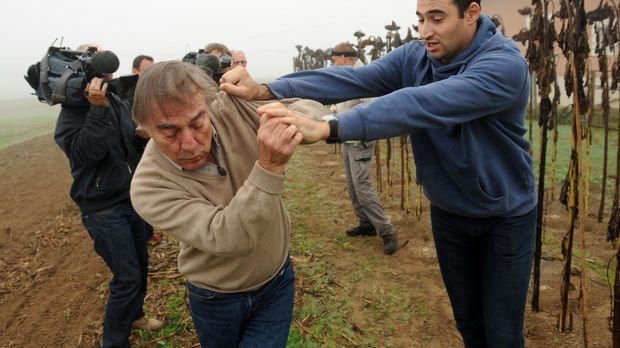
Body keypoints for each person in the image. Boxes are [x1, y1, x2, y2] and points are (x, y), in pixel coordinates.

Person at [220, 1, 537, 347]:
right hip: (449, 211)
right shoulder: (416, 58)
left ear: (472, 13)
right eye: (419, 18)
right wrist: (265, 90)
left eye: (437, 18)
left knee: (504, 334)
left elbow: (424, 103)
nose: (424, 31)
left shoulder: (504, 65)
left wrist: (330, 127)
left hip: (505, 217)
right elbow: (351, 78)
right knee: (469, 323)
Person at [129, 61, 329, 347]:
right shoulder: (149, 186)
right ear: (144, 129)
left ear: (208, 107)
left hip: (277, 282)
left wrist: (294, 120)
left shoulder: (229, 109)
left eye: (198, 122)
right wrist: (269, 168)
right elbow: (229, 236)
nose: (189, 143)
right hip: (216, 299)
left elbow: (308, 107)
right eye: (170, 133)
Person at [54, 44, 162, 348]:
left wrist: (140, 137)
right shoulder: (71, 115)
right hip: (102, 209)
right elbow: (88, 154)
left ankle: (136, 315)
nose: (108, 73)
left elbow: (127, 144)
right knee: (126, 278)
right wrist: (97, 111)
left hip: (129, 198)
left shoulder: (114, 99)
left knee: (140, 266)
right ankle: (114, 342)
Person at [328, 42, 398, 255]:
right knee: (351, 184)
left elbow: (371, 107)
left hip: (360, 139)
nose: (332, 63)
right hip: (347, 137)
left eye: (334, 59)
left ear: (344, 57)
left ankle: (387, 231)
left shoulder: (363, 75)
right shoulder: (349, 74)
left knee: (362, 186)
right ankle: (366, 223)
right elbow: (348, 102)